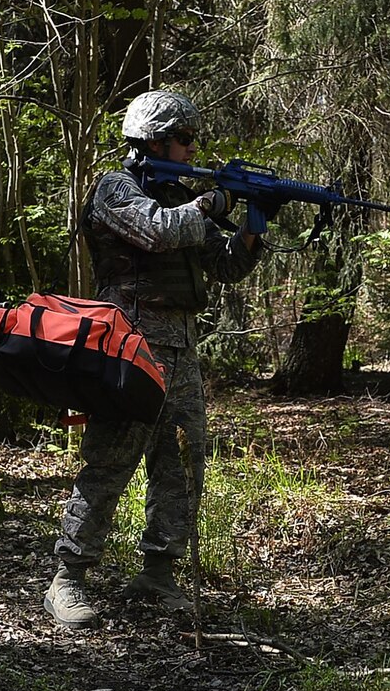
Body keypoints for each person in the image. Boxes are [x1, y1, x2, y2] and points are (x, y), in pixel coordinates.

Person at [42, 90, 262, 631]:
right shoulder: (118, 188)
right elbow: (156, 230)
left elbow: (226, 266)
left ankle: (158, 571)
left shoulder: (182, 197)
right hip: (129, 347)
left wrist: (255, 220)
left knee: (182, 464)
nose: (191, 150)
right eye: (184, 140)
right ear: (154, 138)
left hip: (182, 350)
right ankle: (68, 577)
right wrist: (214, 202)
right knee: (111, 461)